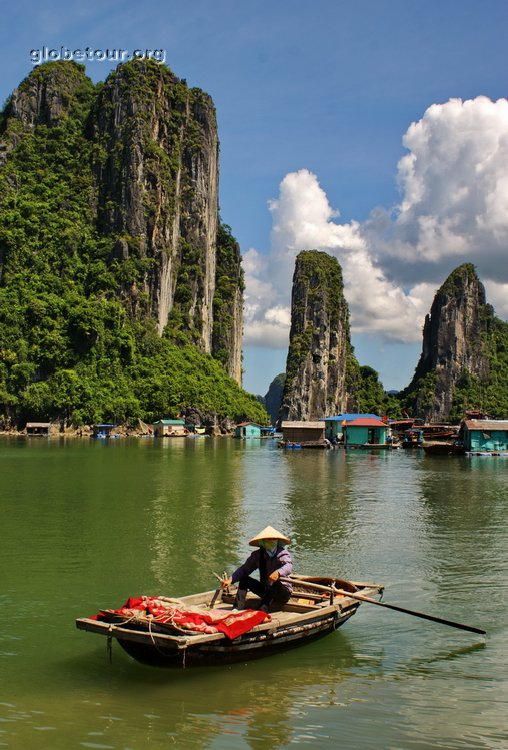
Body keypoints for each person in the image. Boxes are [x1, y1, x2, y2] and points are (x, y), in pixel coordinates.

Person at [222, 526, 293, 612]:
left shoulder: (282, 553)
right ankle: (238, 606)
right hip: (265, 590)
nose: (271, 541)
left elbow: (288, 566)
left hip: (281, 593)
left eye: (273, 539)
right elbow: (245, 569)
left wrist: (278, 573)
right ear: (263, 542)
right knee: (244, 579)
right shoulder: (257, 555)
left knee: (276, 584)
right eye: (268, 539)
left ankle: (263, 609)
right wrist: (231, 580)